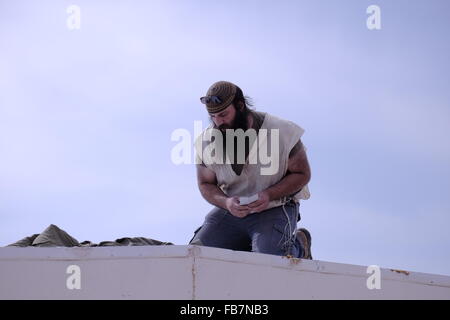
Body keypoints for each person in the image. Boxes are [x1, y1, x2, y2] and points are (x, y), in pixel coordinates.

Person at [189, 80, 313, 259]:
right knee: (196, 254)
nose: (218, 123)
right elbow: (205, 183)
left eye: (223, 114)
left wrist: (269, 195)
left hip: (275, 206)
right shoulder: (206, 141)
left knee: (268, 261)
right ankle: (247, 242)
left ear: (240, 106)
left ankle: (299, 246)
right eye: (213, 116)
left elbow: (302, 173)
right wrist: (226, 203)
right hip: (232, 211)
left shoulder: (281, 130)